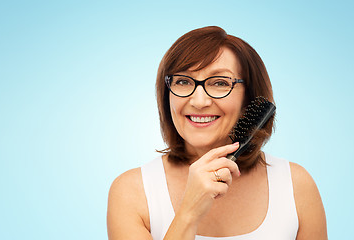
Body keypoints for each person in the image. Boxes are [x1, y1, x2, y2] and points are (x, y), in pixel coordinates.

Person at [107, 26, 327, 240]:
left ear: (249, 99)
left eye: (220, 83)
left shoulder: (296, 186)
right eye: (183, 81)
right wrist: (189, 212)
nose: (199, 101)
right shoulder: (132, 192)